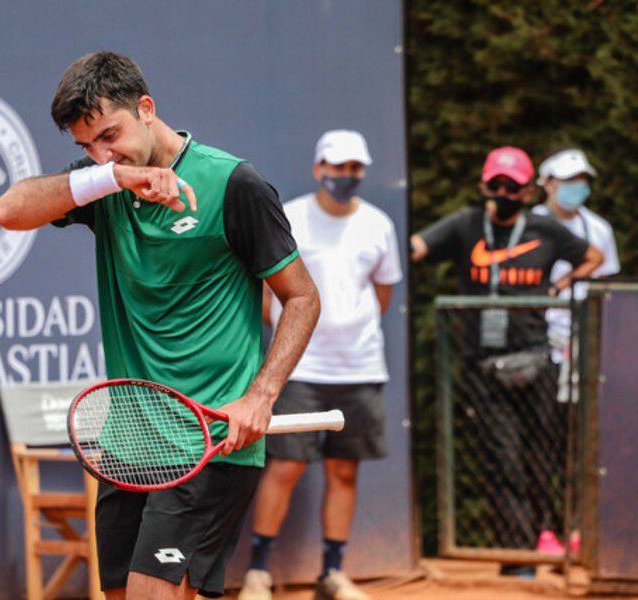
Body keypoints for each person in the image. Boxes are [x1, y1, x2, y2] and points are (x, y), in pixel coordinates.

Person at [0, 51, 320, 600]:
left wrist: (262, 395)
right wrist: (114, 175)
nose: (101, 153)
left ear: (147, 108)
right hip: (129, 447)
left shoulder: (235, 184)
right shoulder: (104, 185)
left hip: (210, 440)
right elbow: (9, 209)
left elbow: (303, 298)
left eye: (111, 135)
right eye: (87, 147)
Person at [410, 146, 603, 574]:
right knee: (503, 458)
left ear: (528, 189)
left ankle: (546, 541)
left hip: (536, 357)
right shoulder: (465, 225)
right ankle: (517, 557)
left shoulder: (545, 229)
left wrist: (564, 283)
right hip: (483, 365)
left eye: (512, 187)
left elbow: (594, 258)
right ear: (483, 185)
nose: (503, 193)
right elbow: (416, 247)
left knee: (542, 456)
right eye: (495, 185)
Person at [238, 130, 403, 600]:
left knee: (345, 471)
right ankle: (259, 573)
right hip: (301, 369)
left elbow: (383, 292)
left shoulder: (377, 224)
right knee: (285, 468)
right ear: (319, 169)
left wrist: (349, 329)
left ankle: (332, 573)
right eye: (337, 167)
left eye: (355, 168)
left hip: (360, 368)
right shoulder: (291, 217)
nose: (346, 176)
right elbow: (273, 291)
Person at [531, 148, 619, 555]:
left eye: (582, 180)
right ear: (547, 184)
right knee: (545, 439)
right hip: (540, 347)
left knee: (584, 444)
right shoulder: (528, 226)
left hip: (587, 350)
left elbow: (607, 291)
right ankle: (545, 531)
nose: (576, 188)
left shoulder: (598, 229)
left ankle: (583, 529)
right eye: (567, 180)